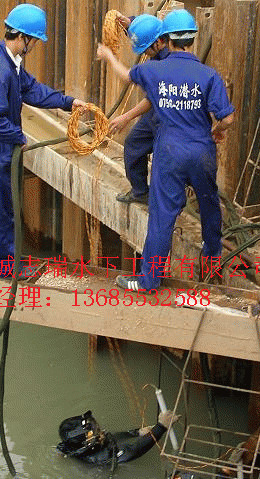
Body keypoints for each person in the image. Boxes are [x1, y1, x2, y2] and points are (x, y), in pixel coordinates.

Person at [97, 10, 235, 291]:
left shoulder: (154, 70)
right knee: (210, 208)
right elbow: (229, 117)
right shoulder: (209, 75)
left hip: (170, 152)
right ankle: (211, 267)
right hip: (201, 150)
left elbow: (126, 76)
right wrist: (216, 130)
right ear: (192, 38)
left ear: (166, 39)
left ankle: (148, 281)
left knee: (162, 217)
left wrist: (109, 56)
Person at [0, 4, 86, 279]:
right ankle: (9, 268)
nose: (36, 46)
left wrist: (67, 102)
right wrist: (18, 136)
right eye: (35, 40)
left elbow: (32, 90)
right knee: (1, 209)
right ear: (24, 38)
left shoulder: (10, 63)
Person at [109, 12, 170, 205]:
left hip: (169, 117)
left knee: (164, 161)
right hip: (155, 115)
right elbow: (147, 29)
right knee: (134, 144)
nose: (144, 53)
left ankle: (167, 201)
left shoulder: (167, 63)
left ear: (159, 42)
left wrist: (125, 117)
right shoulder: (158, 40)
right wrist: (130, 24)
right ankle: (140, 191)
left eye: (147, 49)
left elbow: (150, 97)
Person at [57, 409, 178, 470]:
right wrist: (161, 427)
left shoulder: (72, 446)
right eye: (95, 432)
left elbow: (111, 438)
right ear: (88, 444)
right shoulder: (100, 457)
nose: (100, 430)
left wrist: (137, 433)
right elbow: (133, 450)